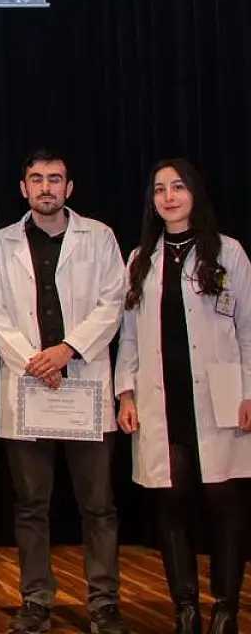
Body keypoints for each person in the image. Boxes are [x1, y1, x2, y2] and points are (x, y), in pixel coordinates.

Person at [0, 150, 128, 634]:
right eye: (37, 179)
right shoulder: (2, 243)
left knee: (98, 505)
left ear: (69, 188)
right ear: (23, 188)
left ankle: (104, 602)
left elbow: (112, 303)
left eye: (55, 179)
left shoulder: (99, 237)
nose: (46, 187)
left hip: (83, 382)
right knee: (31, 505)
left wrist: (67, 350)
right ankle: (36, 599)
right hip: (29, 384)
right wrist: (34, 360)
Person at [116, 159, 251, 634]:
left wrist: (249, 390)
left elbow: (248, 327)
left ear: (195, 192)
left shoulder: (228, 252)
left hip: (220, 397)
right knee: (171, 503)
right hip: (162, 399)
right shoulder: (141, 258)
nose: (169, 197)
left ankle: (225, 610)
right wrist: (126, 393)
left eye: (177, 187)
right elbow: (129, 334)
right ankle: (186, 610)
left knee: (223, 501)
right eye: (160, 189)